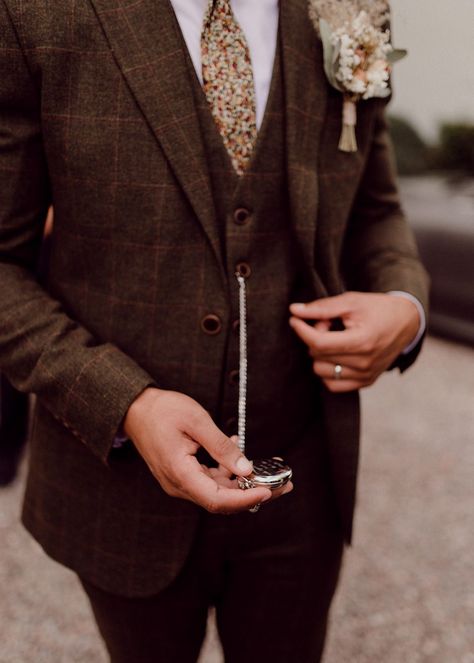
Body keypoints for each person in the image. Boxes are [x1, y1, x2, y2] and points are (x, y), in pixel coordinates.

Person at [0, 0, 428, 661]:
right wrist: (126, 403)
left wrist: (405, 303)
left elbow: (376, 207)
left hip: (303, 478)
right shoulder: (35, 12)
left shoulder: (352, 7)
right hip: (120, 489)